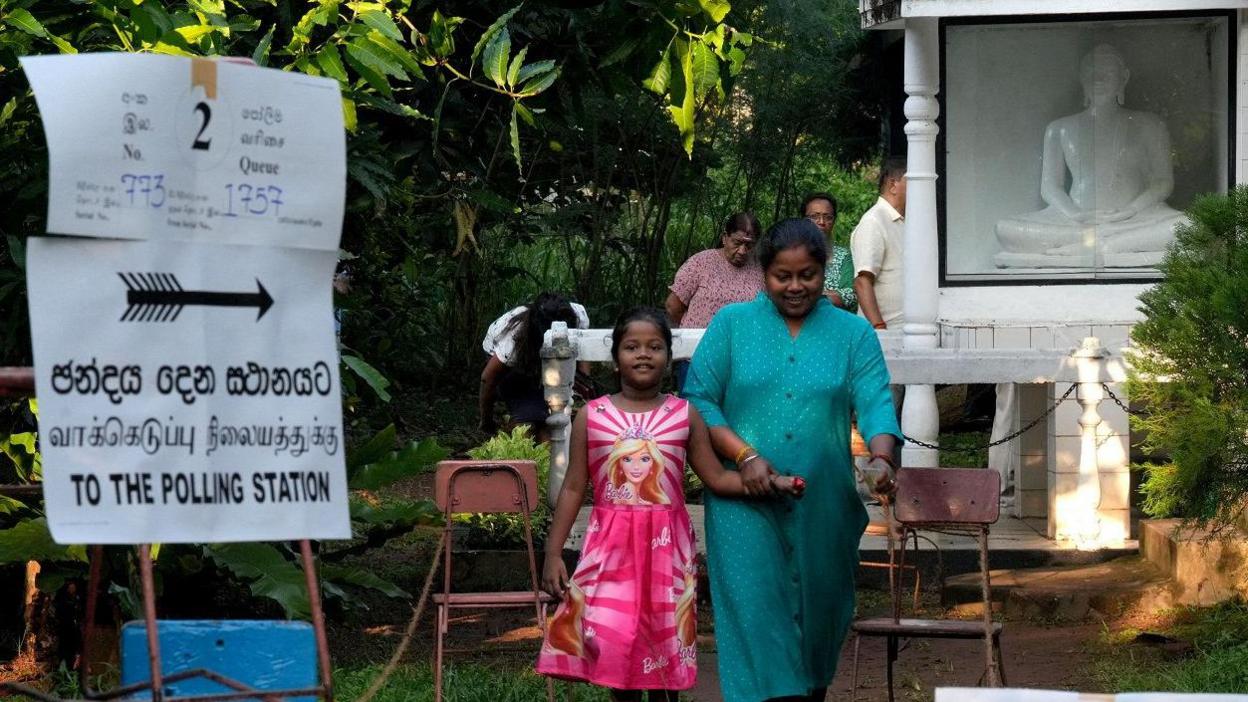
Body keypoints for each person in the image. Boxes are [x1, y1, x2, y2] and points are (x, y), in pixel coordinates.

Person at [684, 218, 901, 702]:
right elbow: (699, 399)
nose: (796, 286)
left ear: (825, 272)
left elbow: (875, 401)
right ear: (765, 273)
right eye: (784, 275)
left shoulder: (852, 334)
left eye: (808, 275)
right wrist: (746, 456)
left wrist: (883, 458)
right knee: (756, 619)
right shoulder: (732, 326)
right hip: (745, 506)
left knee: (819, 624)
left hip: (823, 505)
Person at [537, 307, 803, 701]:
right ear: (615, 358)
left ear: (669, 357)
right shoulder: (590, 417)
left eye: (654, 347)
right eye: (632, 347)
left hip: (668, 558)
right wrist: (553, 552)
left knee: (664, 659)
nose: (643, 354)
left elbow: (717, 477)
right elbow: (575, 487)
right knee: (617, 653)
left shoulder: (684, 415)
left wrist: (771, 481)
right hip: (611, 557)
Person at [994, 44, 1185, 268]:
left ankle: (1103, 245)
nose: (1099, 80)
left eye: (1108, 73)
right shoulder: (1059, 128)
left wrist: (1129, 211)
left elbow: (1162, 182)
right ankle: (1106, 242)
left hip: (1135, 219)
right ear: (1081, 79)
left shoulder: (1150, 125)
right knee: (1004, 228)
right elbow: (1050, 187)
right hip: (1074, 222)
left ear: (1124, 78)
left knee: (1189, 226)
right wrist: (1076, 215)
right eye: (1091, 74)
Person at [665, 212, 764, 391]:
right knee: (697, 414)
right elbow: (673, 306)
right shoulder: (701, 262)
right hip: (697, 357)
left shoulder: (760, 270)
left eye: (749, 245)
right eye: (737, 243)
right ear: (725, 238)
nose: (742, 251)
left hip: (742, 362)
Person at [479, 292, 589, 442]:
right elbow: (488, 378)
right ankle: (521, 417)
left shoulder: (577, 316)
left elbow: (583, 351)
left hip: (550, 361)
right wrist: (486, 420)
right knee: (525, 432)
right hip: (515, 367)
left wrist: (583, 390)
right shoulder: (514, 338)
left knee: (550, 434)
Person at [851, 158, 907, 330]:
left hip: (907, 332)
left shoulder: (904, 222)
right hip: (885, 333)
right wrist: (879, 327)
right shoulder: (874, 221)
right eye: (913, 182)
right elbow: (862, 282)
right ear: (893, 185)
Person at [801, 192, 857, 312]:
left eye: (828, 217)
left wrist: (809, 297)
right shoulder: (790, 253)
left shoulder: (844, 256)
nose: (821, 222)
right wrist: (828, 296)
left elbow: (849, 294)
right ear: (803, 220)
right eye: (814, 216)